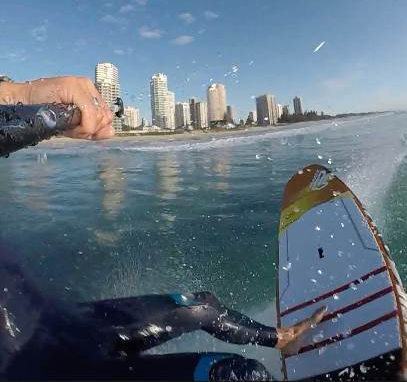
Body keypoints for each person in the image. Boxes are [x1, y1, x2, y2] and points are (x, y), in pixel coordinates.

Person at [0, 75, 327, 380]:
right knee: (239, 374)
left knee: (201, 307)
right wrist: (26, 98)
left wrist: (22, 95)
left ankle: (284, 339)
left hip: (66, 323)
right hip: (33, 368)